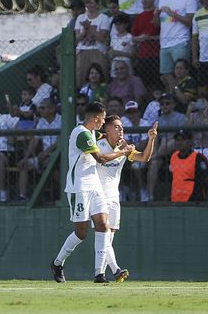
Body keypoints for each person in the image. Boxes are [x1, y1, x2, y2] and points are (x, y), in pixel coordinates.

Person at [50, 102, 134, 284]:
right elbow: (101, 159)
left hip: (95, 186)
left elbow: (103, 135)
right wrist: (123, 152)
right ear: (96, 118)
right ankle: (57, 263)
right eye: (102, 119)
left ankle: (99, 274)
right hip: (78, 187)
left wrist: (117, 139)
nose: (103, 123)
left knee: (103, 225)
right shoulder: (81, 133)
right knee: (81, 233)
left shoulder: (94, 133)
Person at [97, 115, 157, 282]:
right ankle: (115, 270)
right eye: (116, 126)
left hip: (114, 196)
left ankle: (100, 274)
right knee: (104, 233)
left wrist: (151, 139)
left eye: (122, 127)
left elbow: (144, 158)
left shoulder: (124, 148)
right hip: (98, 195)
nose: (121, 129)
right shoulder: (98, 145)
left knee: (109, 236)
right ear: (107, 130)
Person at [153, 0, 196, 91]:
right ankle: (174, 95)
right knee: (165, 74)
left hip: (180, 42)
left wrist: (172, 14)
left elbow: (189, 22)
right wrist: (155, 15)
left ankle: (184, 96)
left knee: (182, 74)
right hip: (165, 43)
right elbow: (157, 24)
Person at [145, 93, 187, 202]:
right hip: (163, 150)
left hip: (178, 148)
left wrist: (167, 140)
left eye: (167, 103)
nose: (164, 106)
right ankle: (150, 195)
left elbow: (182, 136)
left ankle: (155, 156)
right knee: (154, 163)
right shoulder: (159, 119)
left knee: (169, 141)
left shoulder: (181, 117)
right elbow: (154, 138)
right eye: (162, 104)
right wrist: (154, 152)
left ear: (173, 105)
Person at [16, 99, 61, 201]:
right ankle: (22, 196)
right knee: (24, 165)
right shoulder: (41, 121)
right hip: (43, 156)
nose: (40, 110)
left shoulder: (61, 120)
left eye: (43, 108)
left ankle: (65, 191)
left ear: (52, 109)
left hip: (58, 154)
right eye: (40, 108)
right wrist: (26, 157)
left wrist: (45, 153)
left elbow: (59, 142)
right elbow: (34, 142)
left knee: (49, 164)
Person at [75, 0, 111, 88]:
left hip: (98, 51)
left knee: (100, 78)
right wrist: (84, 31)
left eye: (91, 3)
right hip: (82, 51)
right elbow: (76, 38)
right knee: (81, 78)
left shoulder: (104, 18)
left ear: (97, 4)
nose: (89, 5)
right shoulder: (81, 17)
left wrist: (90, 27)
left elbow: (102, 38)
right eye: (87, 3)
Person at [121, 101, 151, 200]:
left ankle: (143, 189)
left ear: (139, 112)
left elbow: (143, 145)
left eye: (134, 111)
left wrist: (131, 146)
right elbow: (124, 143)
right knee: (115, 162)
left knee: (136, 166)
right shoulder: (124, 122)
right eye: (129, 112)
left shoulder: (145, 123)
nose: (132, 114)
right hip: (129, 154)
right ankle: (122, 190)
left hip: (143, 154)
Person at [131, 0, 161, 88]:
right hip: (143, 55)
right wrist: (141, 38)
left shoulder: (158, 14)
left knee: (157, 83)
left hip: (156, 54)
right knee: (144, 84)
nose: (144, 1)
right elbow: (133, 38)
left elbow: (162, 35)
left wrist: (150, 38)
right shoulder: (139, 17)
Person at [169, 129, 208, 202]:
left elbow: (206, 179)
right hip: (175, 198)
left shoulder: (198, 158)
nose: (179, 143)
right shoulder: (173, 156)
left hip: (193, 198)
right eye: (177, 140)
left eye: (183, 140)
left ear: (190, 142)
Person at [107, 13, 135, 77]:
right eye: (116, 25)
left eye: (119, 24)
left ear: (126, 25)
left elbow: (133, 54)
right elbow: (111, 51)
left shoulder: (129, 37)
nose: (117, 27)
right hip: (114, 63)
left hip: (126, 62)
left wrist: (119, 53)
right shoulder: (113, 37)